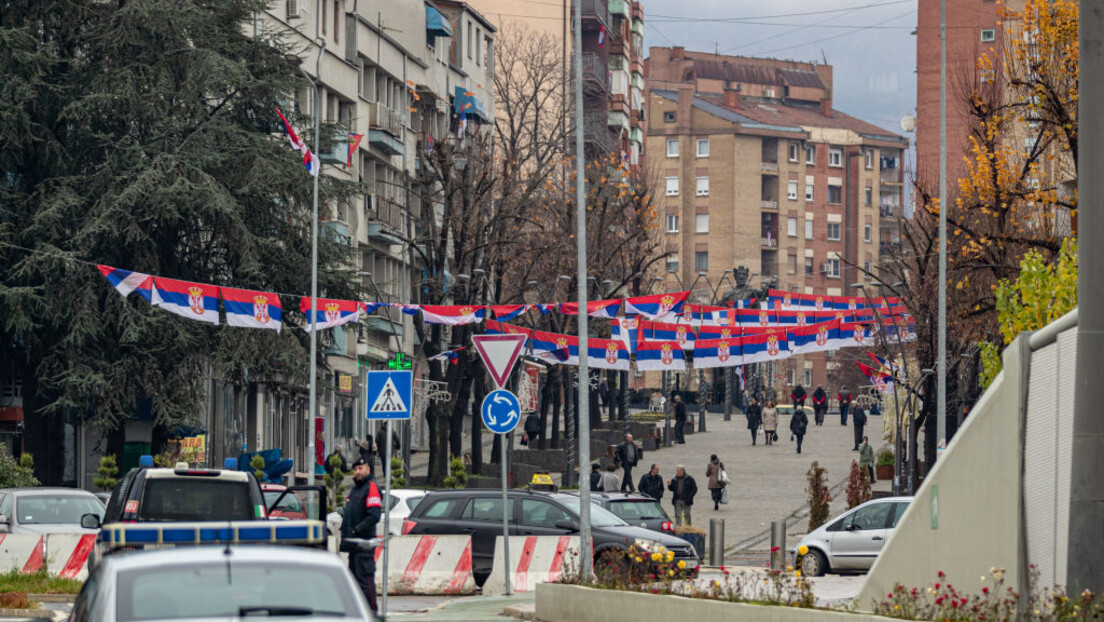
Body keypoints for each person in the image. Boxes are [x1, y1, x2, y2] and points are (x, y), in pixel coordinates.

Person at [341, 457, 382, 613]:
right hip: (354, 545)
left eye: (360, 468)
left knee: (365, 582)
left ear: (368, 470)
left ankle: (371, 614)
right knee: (354, 583)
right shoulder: (356, 489)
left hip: (363, 544)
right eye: (355, 469)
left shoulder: (371, 487)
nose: (357, 472)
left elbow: (373, 516)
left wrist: (356, 530)